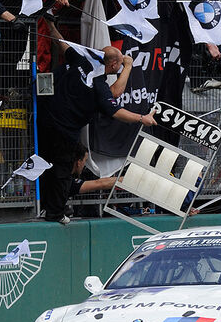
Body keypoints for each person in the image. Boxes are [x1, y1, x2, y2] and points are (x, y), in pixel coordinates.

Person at [38, 21, 156, 224]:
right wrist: (141, 118)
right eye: (118, 65)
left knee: (46, 166)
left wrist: (51, 26)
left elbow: (62, 44)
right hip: (65, 130)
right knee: (61, 170)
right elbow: (115, 105)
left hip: (45, 121)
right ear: (112, 65)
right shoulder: (99, 84)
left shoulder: (81, 59)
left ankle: (47, 207)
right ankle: (55, 213)